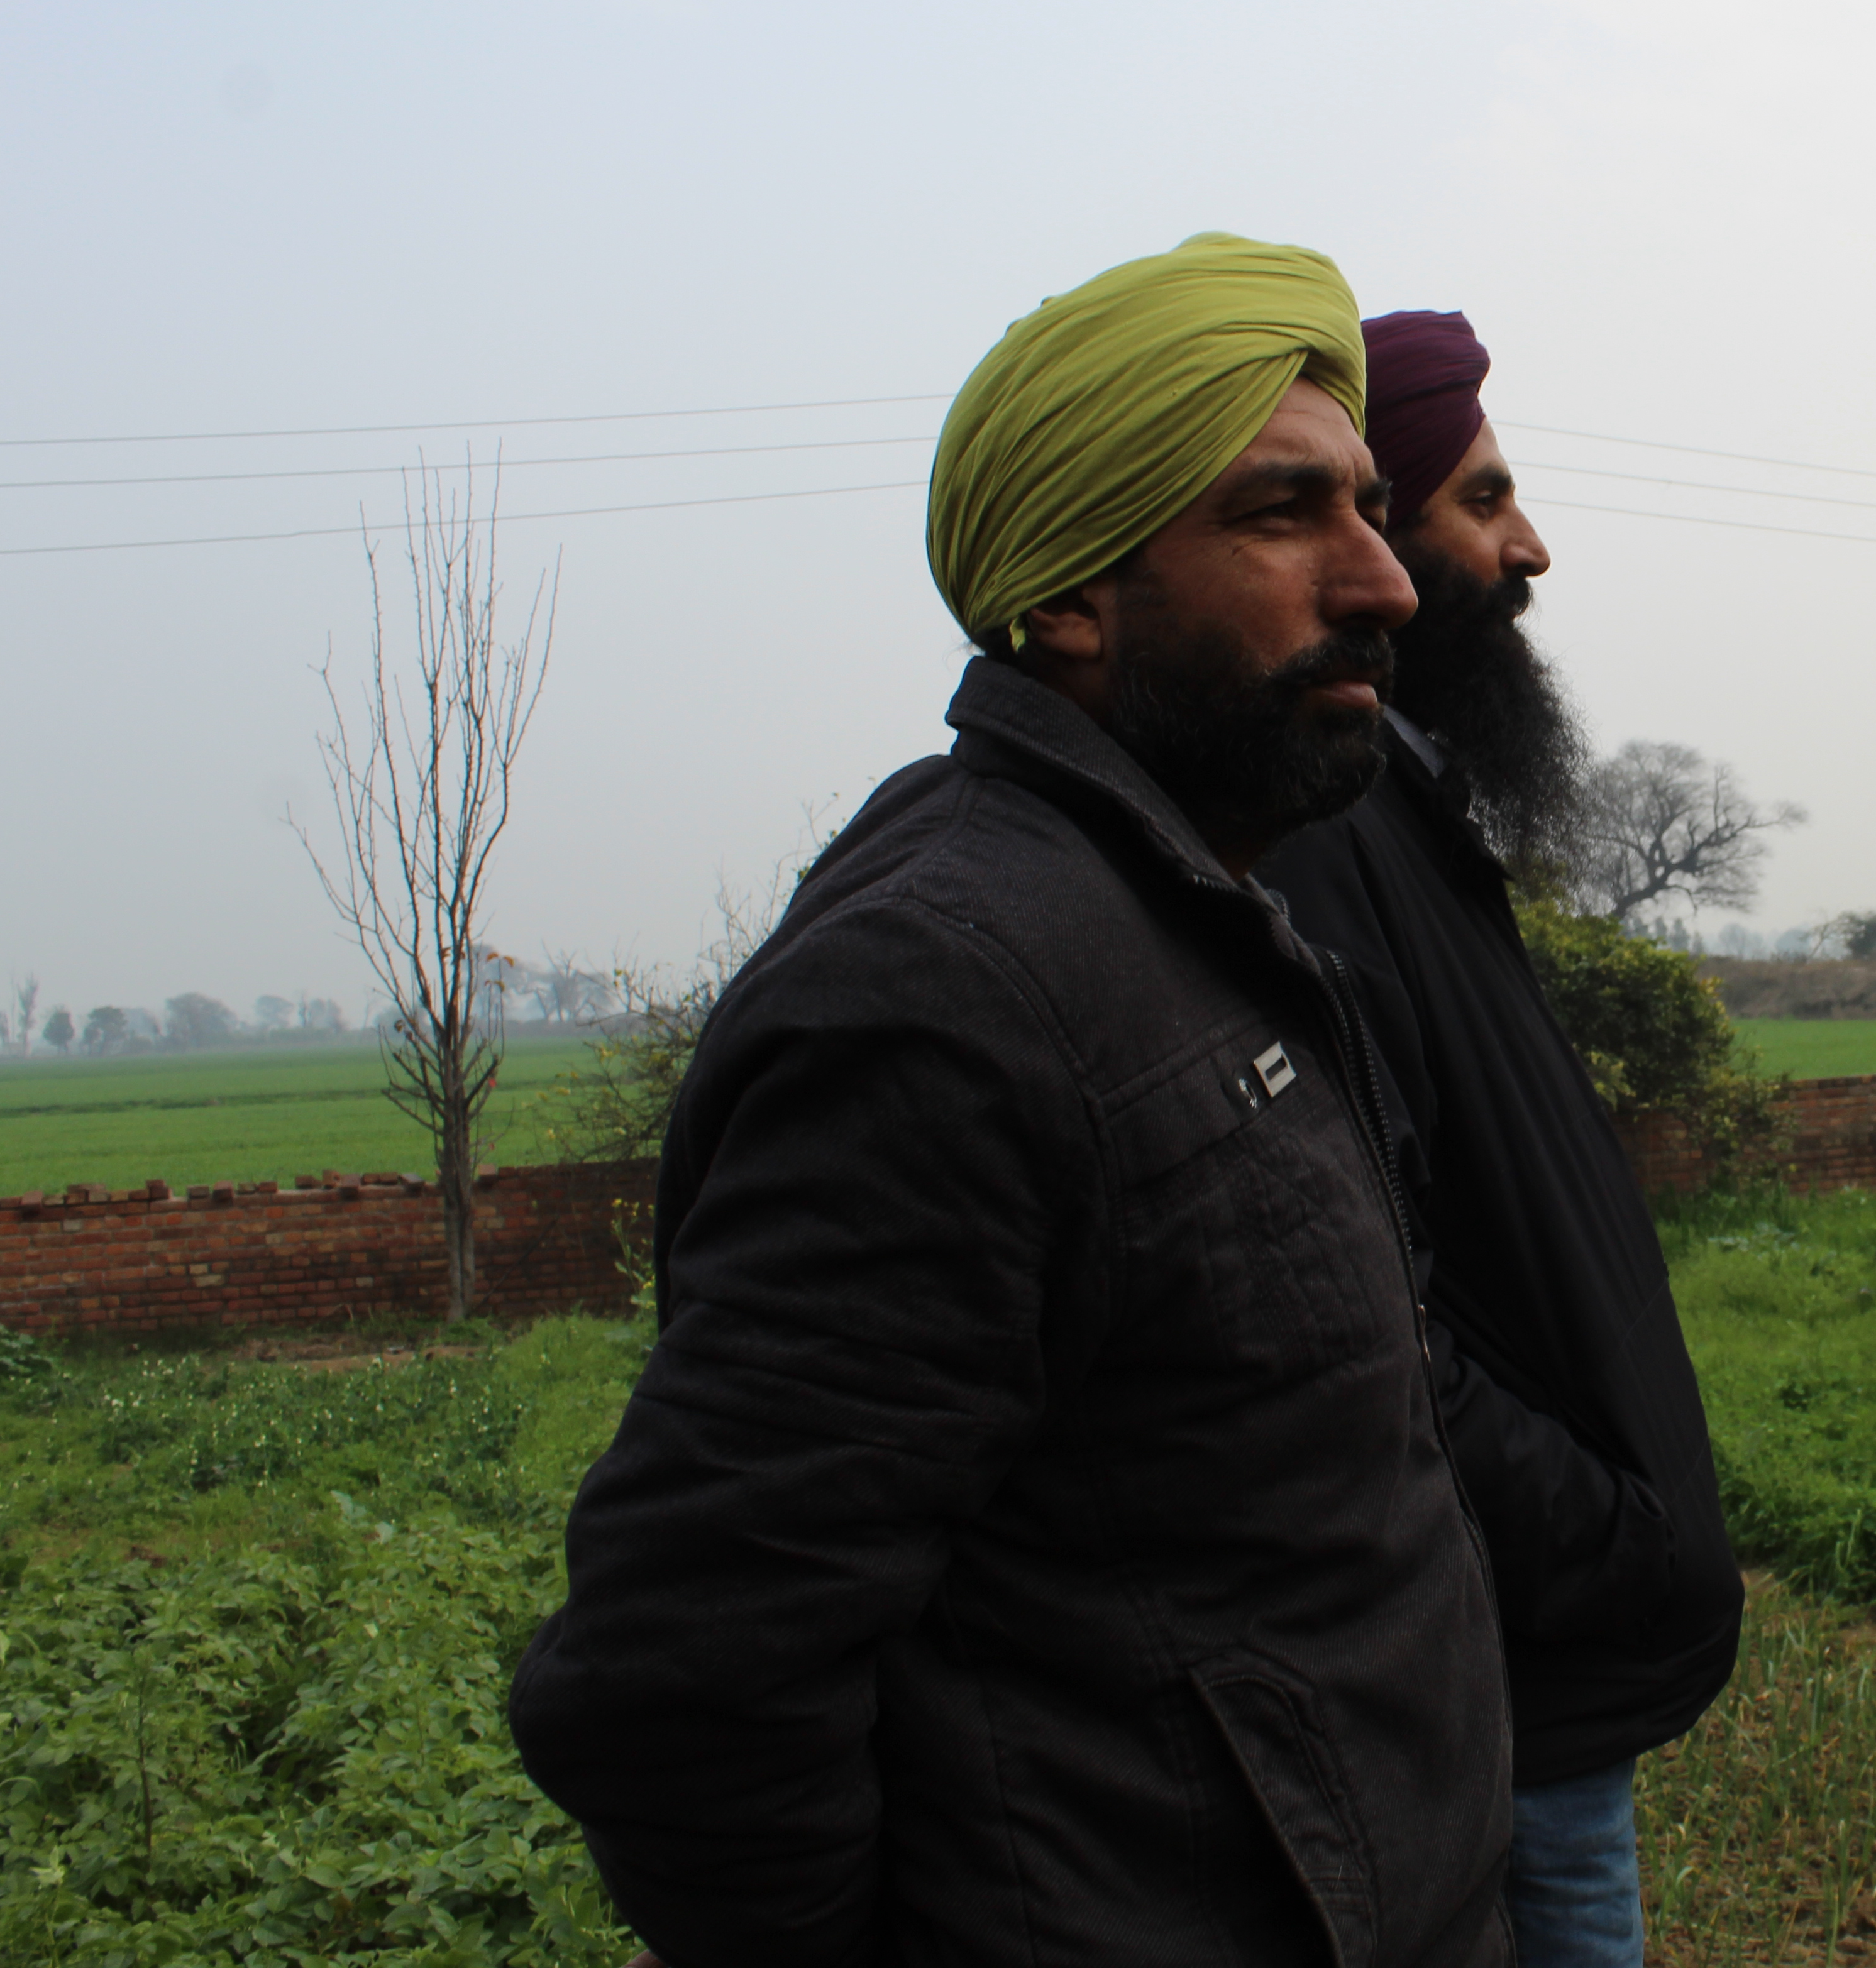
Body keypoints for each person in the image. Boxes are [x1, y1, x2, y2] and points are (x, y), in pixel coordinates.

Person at [510, 236, 1515, 1968]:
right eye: (1283, 514)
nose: (1385, 583)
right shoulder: (951, 991)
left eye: (1368, 507)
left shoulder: (1187, 909)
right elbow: (685, 1680)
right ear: (1066, 598)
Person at [1258, 311, 1744, 1967]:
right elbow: (1354, 1312)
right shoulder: (1319, 843)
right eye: (1484, 500)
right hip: (1501, 1662)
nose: (1528, 547)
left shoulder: (1407, 812)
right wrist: (1601, 1532)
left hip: (1539, 1653)